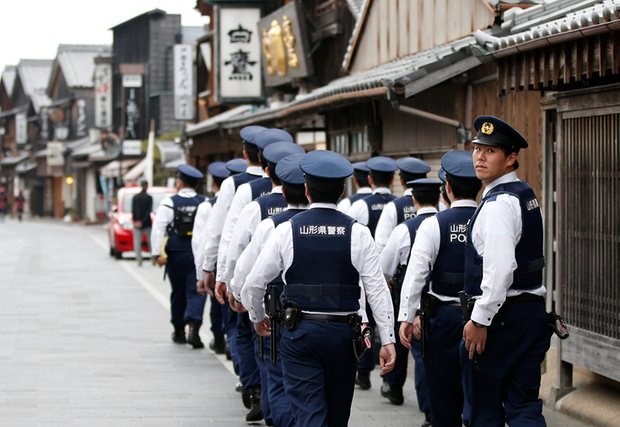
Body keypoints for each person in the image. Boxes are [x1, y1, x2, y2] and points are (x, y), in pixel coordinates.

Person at [242, 150, 396, 427]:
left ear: (306, 190)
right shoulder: (358, 232)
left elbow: (253, 283)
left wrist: (258, 317)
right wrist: (387, 340)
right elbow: (377, 291)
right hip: (343, 336)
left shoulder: (286, 230)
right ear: (341, 190)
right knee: (338, 415)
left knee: (309, 413)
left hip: (300, 335)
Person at [462, 115, 550, 426]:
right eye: (477, 149)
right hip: (529, 314)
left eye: (491, 151)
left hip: (500, 320)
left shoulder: (498, 205)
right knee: (524, 406)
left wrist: (480, 319)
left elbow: (500, 270)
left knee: (484, 410)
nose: (480, 158)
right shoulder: (523, 193)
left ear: (511, 157)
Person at [398, 150, 481, 427]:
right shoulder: (490, 218)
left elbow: (416, 276)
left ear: (447, 188)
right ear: (480, 185)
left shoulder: (434, 225)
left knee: (443, 397)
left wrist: (407, 318)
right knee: (480, 394)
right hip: (483, 318)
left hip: (443, 318)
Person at [233, 153, 309, 427]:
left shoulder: (265, 217)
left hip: (276, 309)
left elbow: (243, 266)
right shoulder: (344, 225)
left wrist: (249, 306)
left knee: (276, 376)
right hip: (320, 316)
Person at [379, 177, 440, 423]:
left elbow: (383, 268)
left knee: (422, 355)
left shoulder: (405, 229)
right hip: (460, 305)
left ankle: (430, 412)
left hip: (417, 304)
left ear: (413, 200)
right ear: (440, 196)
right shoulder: (452, 222)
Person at [347, 155, 397, 390]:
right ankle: (390, 375)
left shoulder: (360, 205)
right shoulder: (398, 203)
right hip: (392, 275)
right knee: (389, 318)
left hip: (366, 269)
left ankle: (364, 370)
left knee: (363, 320)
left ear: (369, 179)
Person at [151, 164, 205, 345]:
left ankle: (179, 329)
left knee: (178, 292)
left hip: (175, 254)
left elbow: (158, 229)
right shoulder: (204, 203)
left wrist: (156, 253)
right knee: (197, 291)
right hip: (197, 255)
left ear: (180, 182)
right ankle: (194, 326)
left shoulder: (169, 202)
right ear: (196, 185)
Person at [192, 161, 229, 353]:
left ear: (213, 182)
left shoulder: (208, 206)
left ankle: (220, 338)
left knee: (218, 301)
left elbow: (203, 241)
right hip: (238, 263)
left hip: (217, 263)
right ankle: (230, 340)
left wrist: (202, 271)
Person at [374, 157, 431, 253]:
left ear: (401, 181)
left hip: (402, 266)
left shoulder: (392, 207)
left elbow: (381, 246)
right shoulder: (439, 206)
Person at [132, 180, 153, 266]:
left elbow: (133, 210)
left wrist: (136, 221)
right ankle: (153, 259)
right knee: (150, 242)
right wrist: (143, 221)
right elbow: (149, 211)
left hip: (137, 223)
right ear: (147, 186)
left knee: (137, 242)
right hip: (147, 222)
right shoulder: (149, 197)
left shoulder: (135, 197)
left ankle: (139, 260)